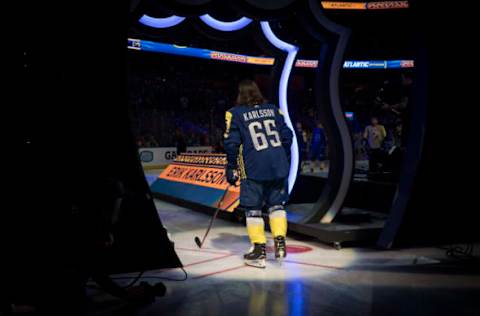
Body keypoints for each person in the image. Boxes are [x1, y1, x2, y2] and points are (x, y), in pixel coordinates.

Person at [224, 80, 293, 268]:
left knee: (252, 209)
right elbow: (288, 137)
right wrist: (280, 156)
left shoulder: (235, 113)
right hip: (278, 165)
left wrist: (231, 167)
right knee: (276, 205)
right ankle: (280, 244)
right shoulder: (273, 109)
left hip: (253, 166)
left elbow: (232, 143)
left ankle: (259, 251)